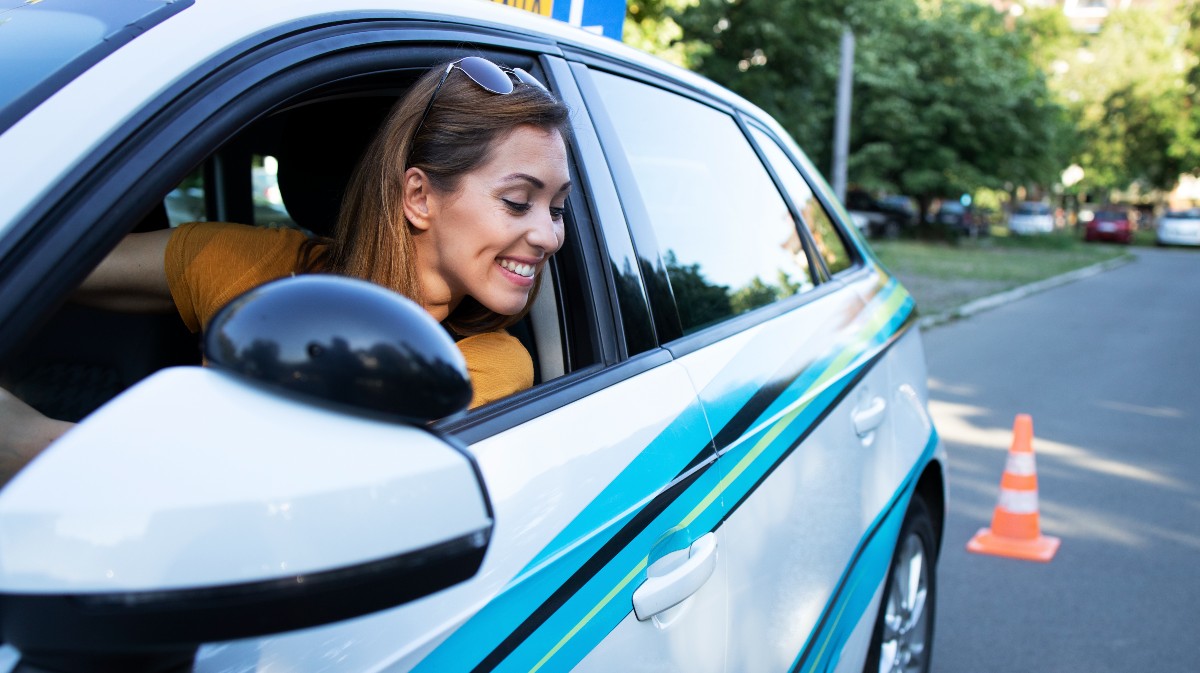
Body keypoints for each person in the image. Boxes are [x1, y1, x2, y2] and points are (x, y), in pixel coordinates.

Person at [1, 56, 573, 483]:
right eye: (519, 201)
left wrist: (33, 443)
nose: (550, 235)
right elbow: (37, 262)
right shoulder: (258, 267)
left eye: (557, 208)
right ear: (419, 197)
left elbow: (280, 493)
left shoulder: (486, 366)